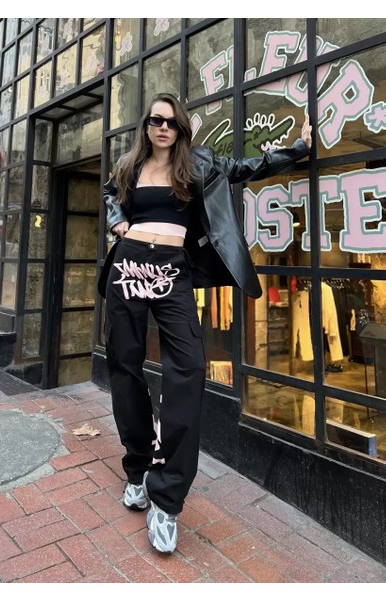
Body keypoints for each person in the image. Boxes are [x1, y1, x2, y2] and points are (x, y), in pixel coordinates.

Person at [98, 92, 312, 554]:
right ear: (146, 125)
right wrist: (119, 224)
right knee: (124, 367)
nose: (163, 128)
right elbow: (111, 194)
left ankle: (167, 498)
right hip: (128, 266)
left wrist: (297, 149)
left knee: (189, 368)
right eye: (156, 120)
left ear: (182, 129)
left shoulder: (197, 163)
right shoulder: (129, 166)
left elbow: (247, 167)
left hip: (172, 270)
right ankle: (138, 468)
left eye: (172, 122)